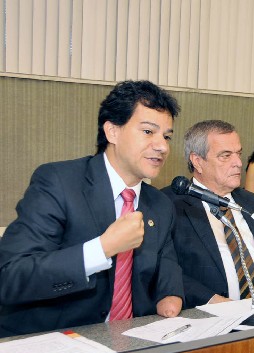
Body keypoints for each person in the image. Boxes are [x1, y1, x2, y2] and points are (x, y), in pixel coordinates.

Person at [0, 80, 184, 337]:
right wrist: (102, 248)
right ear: (112, 132)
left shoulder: (160, 203)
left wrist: (171, 294)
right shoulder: (59, 182)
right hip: (56, 338)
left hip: (133, 341)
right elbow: (11, 275)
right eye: (148, 131)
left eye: (166, 136)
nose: (162, 146)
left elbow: (167, 262)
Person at [163, 120, 254, 307]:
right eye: (226, 156)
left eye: (238, 154)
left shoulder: (251, 202)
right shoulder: (169, 205)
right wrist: (213, 301)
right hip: (214, 313)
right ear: (198, 161)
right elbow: (164, 270)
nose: (238, 163)